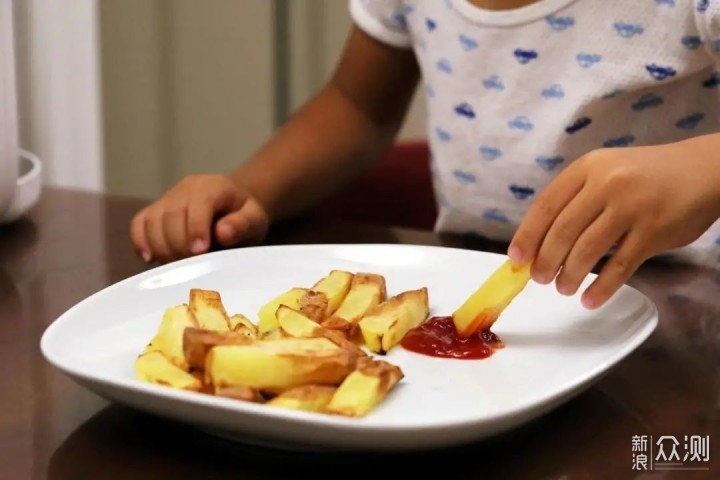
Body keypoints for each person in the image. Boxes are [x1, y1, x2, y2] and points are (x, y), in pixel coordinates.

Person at [130, 0, 720, 310]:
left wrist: (703, 167)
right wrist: (249, 191)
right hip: (483, 301)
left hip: (686, 311)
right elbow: (356, 105)